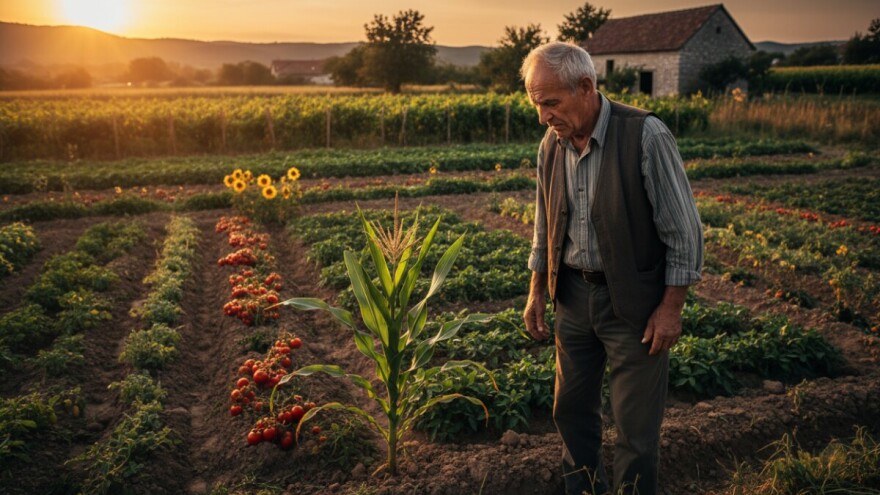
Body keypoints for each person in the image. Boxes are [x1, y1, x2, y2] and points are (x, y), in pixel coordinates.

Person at [520, 42, 703, 495]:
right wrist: (536, 290)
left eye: (550, 103)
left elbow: (684, 232)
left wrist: (670, 309)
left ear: (585, 86)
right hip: (574, 298)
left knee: (635, 429)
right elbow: (546, 221)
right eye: (535, 104)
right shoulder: (552, 142)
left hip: (635, 308)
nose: (543, 115)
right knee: (571, 413)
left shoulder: (645, 135)